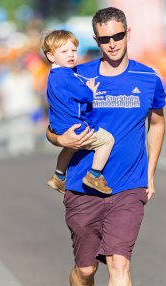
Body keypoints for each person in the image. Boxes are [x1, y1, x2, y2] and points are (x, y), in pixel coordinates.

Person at [46, 7, 166, 286]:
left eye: (117, 36)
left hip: (128, 186)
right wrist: (57, 138)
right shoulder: (74, 75)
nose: (111, 44)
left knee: (119, 262)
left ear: (128, 33)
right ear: (95, 40)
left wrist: (150, 173)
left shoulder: (148, 78)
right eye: (103, 39)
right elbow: (53, 128)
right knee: (85, 271)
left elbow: (158, 124)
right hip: (84, 188)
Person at [42, 30, 114, 194]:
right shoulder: (66, 75)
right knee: (107, 141)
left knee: (70, 147)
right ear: (51, 56)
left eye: (73, 50)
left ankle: (58, 177)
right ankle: (94, 175)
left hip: (58, 125)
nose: (71, 55)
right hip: (75, 125)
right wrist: (91, 90)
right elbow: (85, 95)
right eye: (64, 51)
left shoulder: (53, 75)